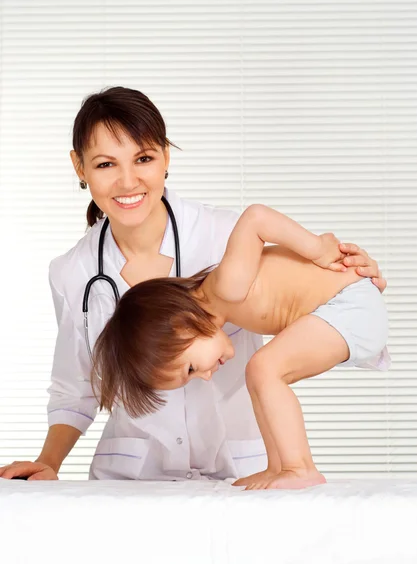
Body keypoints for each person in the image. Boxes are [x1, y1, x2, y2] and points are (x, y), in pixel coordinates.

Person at [0, 87, 386, 482]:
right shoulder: (70, 272)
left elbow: (301, 287)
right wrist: (49, 463)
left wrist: (349, 270)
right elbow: (75, 386)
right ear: (79, 168)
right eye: (104, 165)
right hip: (134, 476)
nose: (127, 181)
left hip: (244, 466)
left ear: (165, 156)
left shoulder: (225, 233)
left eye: (144, 158)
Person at [93, 204, 390, 490]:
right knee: (259, 374)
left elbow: (256, 218)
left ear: (182, 324)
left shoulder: (226, 286)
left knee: (264, 369)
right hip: (345, 306)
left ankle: (301, 468)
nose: (205, 376)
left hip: (349, 303)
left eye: (192, 369)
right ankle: (280, 465)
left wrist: (316, 248)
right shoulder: (223, 297)